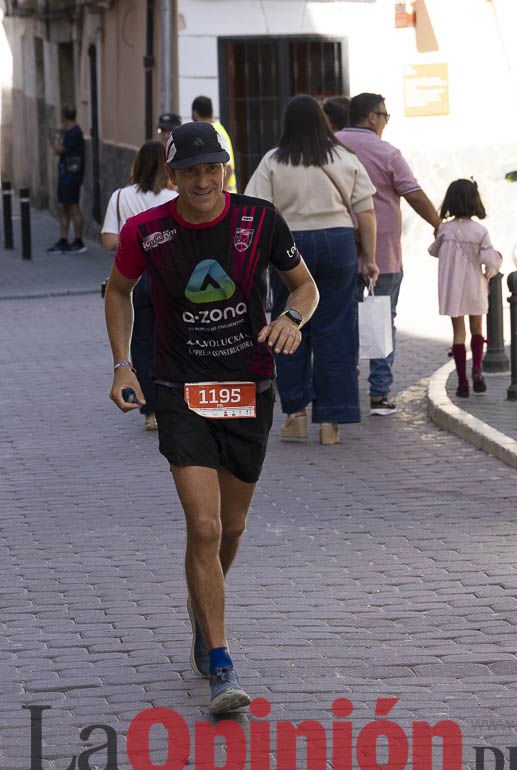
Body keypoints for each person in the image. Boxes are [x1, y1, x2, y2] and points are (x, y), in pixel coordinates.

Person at [105, 122, 319, 713]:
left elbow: (304, 288)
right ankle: (221, 661)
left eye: (213, 168)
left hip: (249, 385)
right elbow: (117, 291)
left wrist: (291, 322)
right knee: (203, 527)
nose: (204, 180)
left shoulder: (259, 220)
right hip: (179, 387)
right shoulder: (145, 232)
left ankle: (204, 607)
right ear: (170, 177)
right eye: (191, 170)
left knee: (232, 527)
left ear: (226, 168)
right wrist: (123, 365)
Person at [245, 95, 379, 445]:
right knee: (336, 330)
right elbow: (365, 211)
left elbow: (257, 209)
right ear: (322, 121)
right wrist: (370, 258)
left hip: (290, 245)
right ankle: (331, 422)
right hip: (338, 243)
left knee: (288, 324)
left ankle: (295, 414)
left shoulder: (273, 160)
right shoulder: (344, 158)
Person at [336, 93, 440, 415]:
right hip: (382, 255)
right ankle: (379, 395)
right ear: (371, 117)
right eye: (385, 115)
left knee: (340, 321)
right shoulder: (387, 153)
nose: (385, 121)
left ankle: (344, 390)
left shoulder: (331, 148)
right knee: (382, 321)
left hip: (337, 250)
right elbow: (414, 195)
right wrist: (439, 224)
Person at [101, 140, 178, 432]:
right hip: (168, 278)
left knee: (142, 343)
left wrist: (136, 243)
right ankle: (173, 402)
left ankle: (150, 412)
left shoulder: (120, 197)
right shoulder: (173, 198)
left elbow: (108, 240)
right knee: (170, 341)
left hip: (132, 278)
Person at [429, 179, 502, 398]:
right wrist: (492, 268)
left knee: (458, 333)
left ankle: (462, 383)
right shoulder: (480, 231)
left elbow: (434, 251)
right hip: (475, 285)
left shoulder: (445, 230)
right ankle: (477, 370)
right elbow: (490, 261)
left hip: (453, 288)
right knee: (477, 327)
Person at [48, 104, 87, 254]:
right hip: (68, 174)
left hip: (70, 176)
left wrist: (58, 135)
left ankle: (78, 241)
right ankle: (64, 240)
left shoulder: (73, 133)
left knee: (72, 207)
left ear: (63, 117)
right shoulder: (74, 131)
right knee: (64, 206)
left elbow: (58, 150)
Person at [190, 96, 237, 193]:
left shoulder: (215, 132)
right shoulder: (215, 130)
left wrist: (220, 194)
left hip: (225, 198)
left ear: (195, 113)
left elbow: (228, 168)